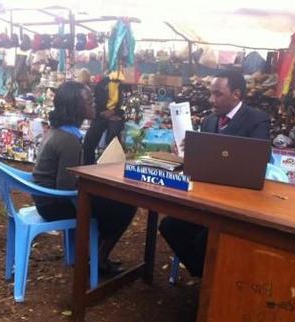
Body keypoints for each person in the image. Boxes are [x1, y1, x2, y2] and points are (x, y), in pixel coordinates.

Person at [159, 70, 270, 278]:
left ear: (236, 94)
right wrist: (187, 152)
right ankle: (208, 276)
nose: (211, 99)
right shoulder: (209, 121)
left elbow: (259, 159)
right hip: (205, 200)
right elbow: (202, 162)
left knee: (209, 238)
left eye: (218, 94)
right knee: (169, 226)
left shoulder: (257, 120)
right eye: (211, 93)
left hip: (237, 204)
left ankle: (214, 283)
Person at [32, 81, 136, 275]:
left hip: (45, 200)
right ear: (75, 107)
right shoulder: (69, 140)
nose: (94, 103)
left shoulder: (60, 131)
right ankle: (99, 259)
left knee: (113, 202)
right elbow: (66, 187)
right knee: (126, 205)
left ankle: (95, 255)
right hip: (54, 205)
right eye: (89, 100)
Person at [83, 69, 126, 165]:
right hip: (101, 115)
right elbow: (97, 104)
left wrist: (114, 112)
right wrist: (105, 114)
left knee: (113, 136)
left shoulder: (123, 86)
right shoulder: (102, 85)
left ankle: (111, 164)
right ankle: (88, 166)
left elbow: (124, 106)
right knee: (89, 139)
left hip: (116, 115)